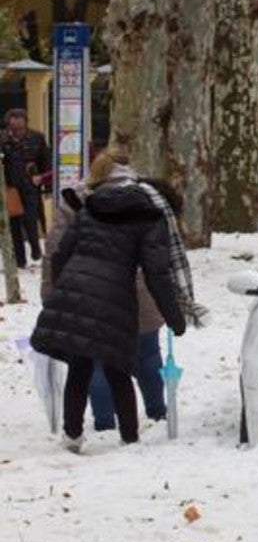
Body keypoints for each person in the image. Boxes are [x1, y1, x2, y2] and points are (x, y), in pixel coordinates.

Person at [31, 146, 201, 452]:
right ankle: (129, 438)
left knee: (80, 366)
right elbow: (156, 274)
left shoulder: (88, 207)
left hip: (77, 290)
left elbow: (60, 254)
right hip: (116, 296)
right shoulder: (149, 215)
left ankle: (72, 436)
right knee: (117, 368)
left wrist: (63, 289)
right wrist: (175, 318)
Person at [2, 108, 51, 268]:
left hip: (30, 185)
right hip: (11, 188)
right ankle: (20, 259)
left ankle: (35, 248)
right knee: (14, 222)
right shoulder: (2, 139)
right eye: (13, 122)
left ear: (25, 123)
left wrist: (45, 182)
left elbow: (46, 162)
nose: (16, 128)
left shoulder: (37, 138)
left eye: (19, 121)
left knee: (31, 219)